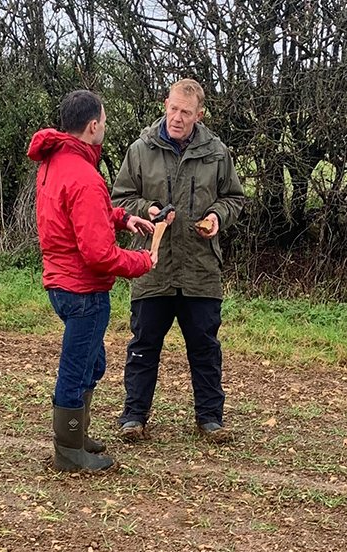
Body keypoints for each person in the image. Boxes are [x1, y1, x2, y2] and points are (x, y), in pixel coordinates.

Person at [110, 78, 245, 443]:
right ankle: (133, 417)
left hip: (201, 269)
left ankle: (210, 419)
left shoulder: (217, 153)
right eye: (173, 109)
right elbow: (120, 199)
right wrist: (148, 209)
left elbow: (234, 199)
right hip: (152, 266)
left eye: (186, 112)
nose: (177, 117)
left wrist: (217, 216)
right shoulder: (141, 149)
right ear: (164, 105)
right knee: (143, 346)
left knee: (205, 348)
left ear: (199, 115)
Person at [27, 90, 156, 472]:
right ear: (93, 125)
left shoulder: (54, 162)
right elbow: (99, 254)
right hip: (83, 290)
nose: (105, 127)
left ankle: (77, 435)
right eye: (104, 121)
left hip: (60, 283)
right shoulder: (86, 177)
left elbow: (78, 214)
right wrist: (142, 261)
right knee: (77, 368)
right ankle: (69, 450)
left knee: (92, 362)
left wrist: (122, 218)